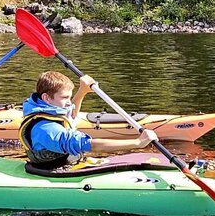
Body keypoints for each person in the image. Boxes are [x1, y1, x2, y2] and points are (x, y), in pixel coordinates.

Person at [19, 71, 157, 169]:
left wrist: (83, 91)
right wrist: (137, 143)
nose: (69, 102)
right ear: (46, 98)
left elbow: (71, 115)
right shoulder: (46, 129)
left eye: (69, 97)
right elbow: (91, 145)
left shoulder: (46, 108)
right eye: (64, 97)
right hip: (53, 170)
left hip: (67, 163)